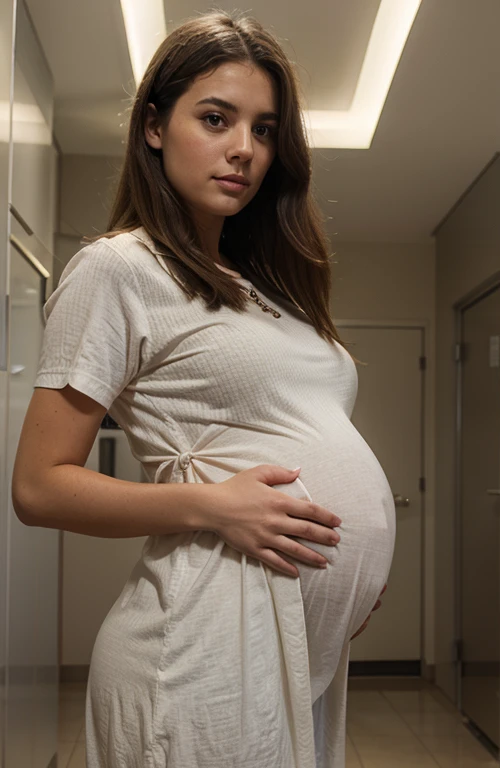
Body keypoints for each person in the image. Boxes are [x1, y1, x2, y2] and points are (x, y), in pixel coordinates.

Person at [12, 9, 395, 768]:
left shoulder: (260, 287)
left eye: (264, 129)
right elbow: (38, 487)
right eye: (216, 118)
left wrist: (352, 578)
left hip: (289, 642)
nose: (244, 150)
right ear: (154, 126)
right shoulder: (120, 268)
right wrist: (215, 503)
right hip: (200, 649)